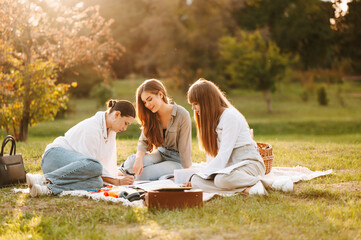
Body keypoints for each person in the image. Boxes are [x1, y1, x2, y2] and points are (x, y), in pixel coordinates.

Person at [186, 79, 293, 195]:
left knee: (220, 180)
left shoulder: (230, 116)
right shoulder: (210, 122)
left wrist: (204, 174)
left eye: (196, 104)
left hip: (249, 164)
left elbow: (224, 155)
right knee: (196, 181)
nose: (193, 109)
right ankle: (248, 190)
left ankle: (268, 183)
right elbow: (212, 157)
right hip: (228, 169)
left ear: (207, 102)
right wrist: (199, 177)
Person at [26, 100, 136, 197]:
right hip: (53, 158)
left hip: (70, 170)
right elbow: (90, 165)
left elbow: (93, 168)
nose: (125, 128)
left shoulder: (111, 131)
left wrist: (115, 178)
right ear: (117, 114)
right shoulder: (92, 127)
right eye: (125, 123)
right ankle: (42, 179)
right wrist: (117, 182)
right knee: (95, 166)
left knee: (97, 182)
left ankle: (47, 189)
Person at [122, 79, 192, 180]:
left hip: (176, 160)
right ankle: (125, 171)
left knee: (142, 175)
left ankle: (131, 174)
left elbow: (185, 148)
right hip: (160, 153)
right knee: (130, 164)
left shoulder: (182, 115)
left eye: (149, 99)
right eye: (145, 102)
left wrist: (187, 173)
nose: (147, 105)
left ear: (160, 94)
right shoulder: (151, 116)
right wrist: (139, 159)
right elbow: (143, 141)